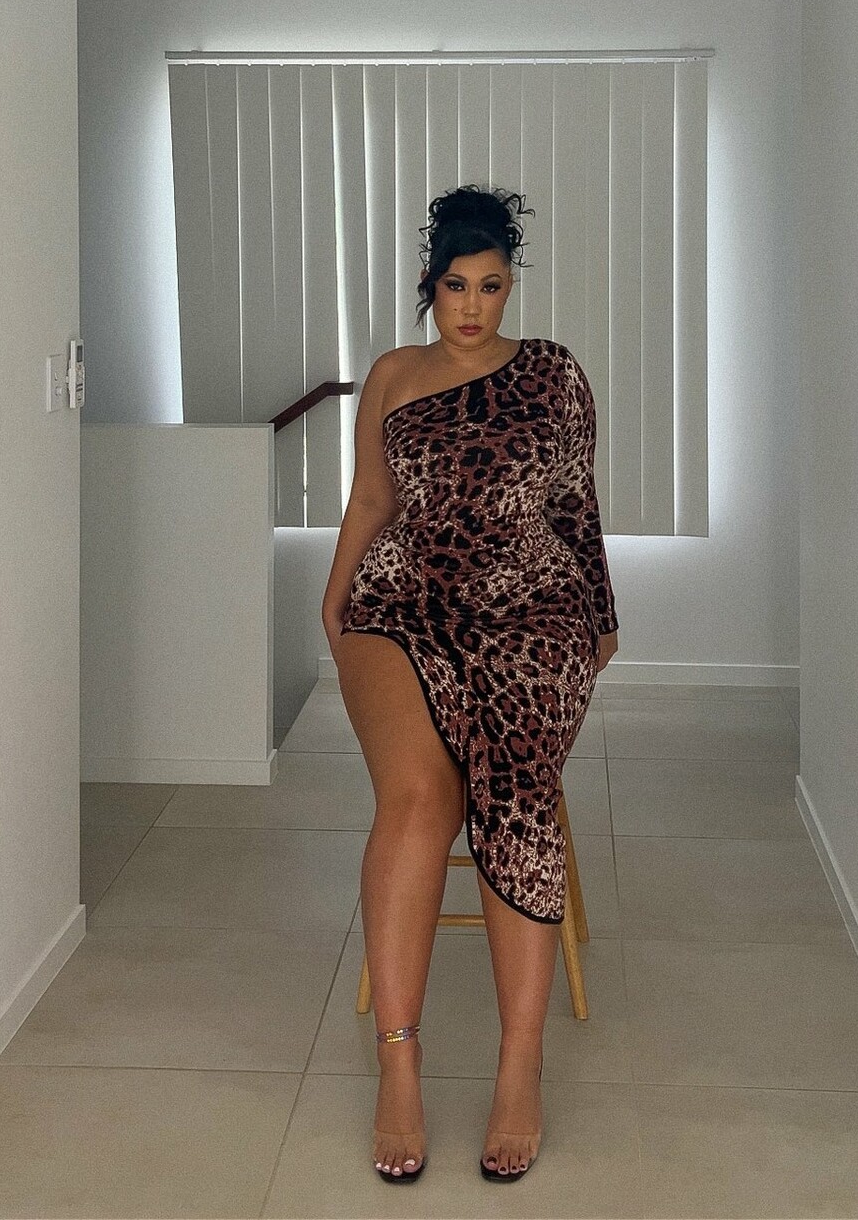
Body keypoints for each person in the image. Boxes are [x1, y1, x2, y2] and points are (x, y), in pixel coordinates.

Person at [321, 184, 619, 1184]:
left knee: (518, 793)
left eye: (492, 287)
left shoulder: (552, 374)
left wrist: (598, 618)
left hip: (531, 604)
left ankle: (518, 1066)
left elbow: (575, 505)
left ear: (509, 287)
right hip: (401, 600)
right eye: (457, 286)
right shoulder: (394, 375)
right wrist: (334, 601)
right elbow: (372, 498)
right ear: (430, 285)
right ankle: (398, 1066)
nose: (473, 306)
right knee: (418, 802)